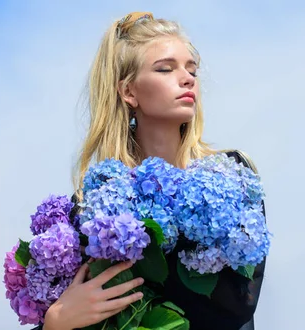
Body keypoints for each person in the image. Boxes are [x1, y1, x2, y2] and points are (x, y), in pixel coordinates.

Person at [37, 11, 267, 330]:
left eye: (192, 69)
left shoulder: (230, 174)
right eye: (165, 69)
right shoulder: (94, 206)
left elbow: (236, 305)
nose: (187, 79)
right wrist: (55, 322)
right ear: (129, 92)